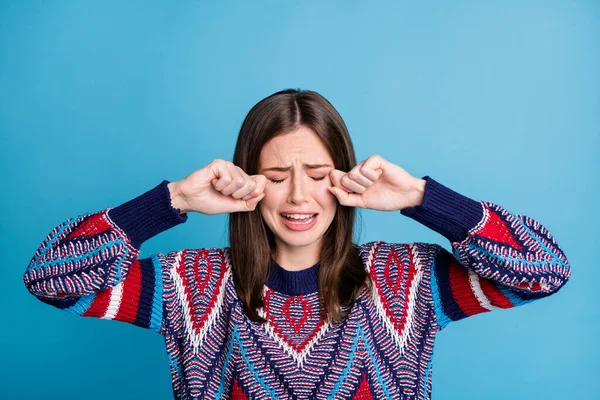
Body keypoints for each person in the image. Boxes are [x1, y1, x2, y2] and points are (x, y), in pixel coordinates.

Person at [24, 89, 571, 400]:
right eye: (277, 174)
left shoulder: (408, 282)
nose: (298, 194)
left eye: (316, 172)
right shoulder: (189, 286)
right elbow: (50, 279)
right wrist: (172, 201)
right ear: (249, 182)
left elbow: (544, 272)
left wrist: (423, 199)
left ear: (343, 179)